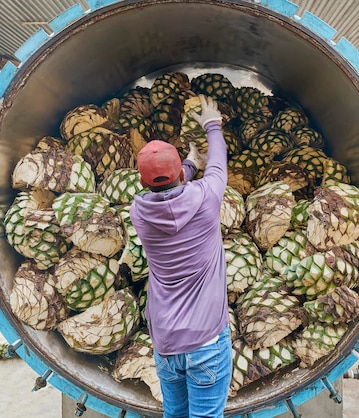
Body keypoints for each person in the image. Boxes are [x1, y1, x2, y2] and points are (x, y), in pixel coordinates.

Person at [130, 95, 231, 418]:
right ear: (182, 176)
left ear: (143, 181)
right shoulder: (206, 199)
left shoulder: (139, 213)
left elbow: (164, 190)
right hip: (206, 341)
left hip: (166, 343)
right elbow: (218, 165)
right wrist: (211, 124)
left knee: (175, 414)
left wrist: (189, 163)